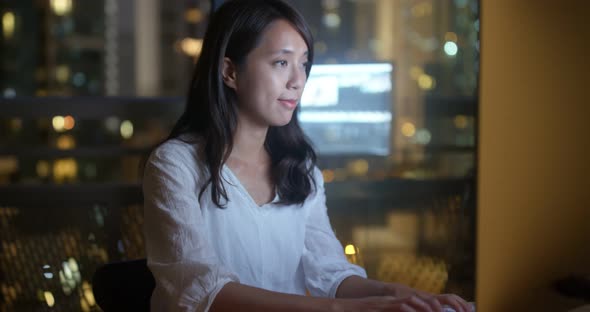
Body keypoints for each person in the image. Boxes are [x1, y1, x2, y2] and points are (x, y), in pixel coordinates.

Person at [142, 0, 474, 311]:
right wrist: (338, 309)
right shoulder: (175, 165)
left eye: (304, 64)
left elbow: (329, 272)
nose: (297, 81)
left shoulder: (300, 168)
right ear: (230, 72)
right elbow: (203, 291)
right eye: (281, 63)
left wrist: (396, 293)